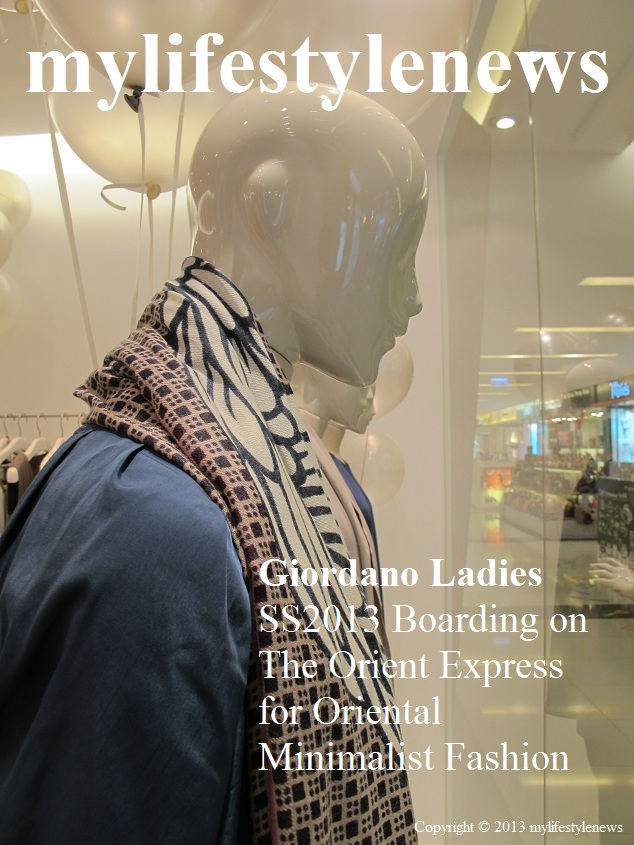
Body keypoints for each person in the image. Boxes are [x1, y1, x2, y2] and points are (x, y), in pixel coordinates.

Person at [0, 85, 427, 844]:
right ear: (273, 209)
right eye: (396, 246)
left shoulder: (302, 483)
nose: (416, 297)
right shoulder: (154, 531)